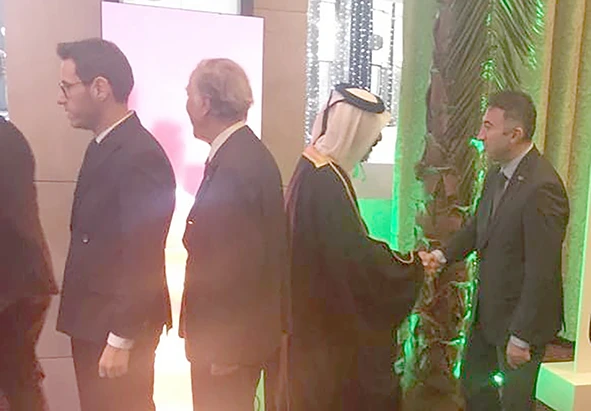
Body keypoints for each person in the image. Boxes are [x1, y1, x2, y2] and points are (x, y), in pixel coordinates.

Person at [420, 91, 569, 410]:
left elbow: (542, 270)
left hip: (519, 325)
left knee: (514, 404)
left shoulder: (543, 188)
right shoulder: (497, 174)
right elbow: (478, 227)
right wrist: (441, 256)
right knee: (474, 390)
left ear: (514, 134)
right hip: (488, 317)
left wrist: (522, 336)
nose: (480, 135)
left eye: (488, 126)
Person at [285, 83, 424, 410]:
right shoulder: (325, 181)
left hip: (311, 323)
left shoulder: (314, 166)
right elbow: (356, 260)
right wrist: (411, 264)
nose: (373, 145)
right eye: (371, 138)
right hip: (326, 336)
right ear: (354, 132)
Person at [55, 38, 176, 411]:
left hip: (117, 327)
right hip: (94, 319)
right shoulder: (103, 146)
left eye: (67, 87)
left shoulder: (140, 155)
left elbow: (142, 253)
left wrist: (121, 337)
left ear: (100, 88)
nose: (61, 99)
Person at [180, 58, 288, 411]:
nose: (186, 105)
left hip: (225, 346)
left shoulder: (237, 164)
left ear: (206, 103)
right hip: (225, 341)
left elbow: (239, 264)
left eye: (189, 95)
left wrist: (228, 347)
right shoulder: (239, 154)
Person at [0, 117, 58, 411]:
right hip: (25, 282)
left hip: (9, 287)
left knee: (16, 382)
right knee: (19, 379)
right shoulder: (9, 135)